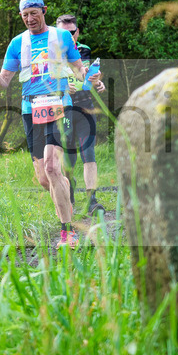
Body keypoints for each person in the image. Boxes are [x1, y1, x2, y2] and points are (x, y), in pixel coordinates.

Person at [0, 0, 101, 248]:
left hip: (59, 105)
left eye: (33, 13)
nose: (29, 19)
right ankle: (68, 199)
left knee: (52, 167)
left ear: (44, 10)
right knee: (45, 179)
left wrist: (88, 78)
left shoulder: (62, 37)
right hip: (30, 109)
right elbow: (3, 84)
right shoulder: (17, 44)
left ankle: (68, 233)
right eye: (24, 15)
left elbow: (79, 69)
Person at [56, 14, 106, 216]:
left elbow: (87, 74)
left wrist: (97, 82)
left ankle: (92, 200)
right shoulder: (49, 52)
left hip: (85, 106)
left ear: (77, 32)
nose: (68, 35)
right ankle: (69, 188)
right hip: (63, 108)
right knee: (68, 158)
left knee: (89, 153)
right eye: (63, 32)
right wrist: (61, 87)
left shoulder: (84, 50)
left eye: (72, 32)